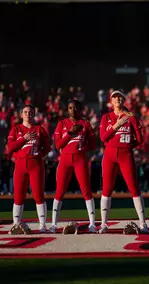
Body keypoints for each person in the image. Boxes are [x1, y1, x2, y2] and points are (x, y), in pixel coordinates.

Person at [98, 90, 147, 233]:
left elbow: (140, 139)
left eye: (120, 97)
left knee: (134, 188)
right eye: (114, 97)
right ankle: (104, 224)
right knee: (106, 189)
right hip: (110, 155)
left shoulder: (131, 117)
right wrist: (117, 125)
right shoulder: (106, 117)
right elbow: (103, 137)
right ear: (111, 101)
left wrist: (128, 146)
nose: (117, 99)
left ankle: (143, 223)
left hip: (126, 155)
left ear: (124, 100)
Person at [50, 100, 97, 233]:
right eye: (70, 107)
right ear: (67, 110)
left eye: (76, 108)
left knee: (86, 190)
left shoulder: (85, 124)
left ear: (81, 109)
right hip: (65, 160)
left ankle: (92, 224)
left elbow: (93, 145)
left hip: (80, 160)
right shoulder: (62, 124)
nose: (73, 110)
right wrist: (70, 134)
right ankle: (53, 224)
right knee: (59, 191)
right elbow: (57, 145)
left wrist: (81, 147)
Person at [6, 105, 51, 234]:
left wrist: (38, 157)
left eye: (30, 112)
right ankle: (16, 224)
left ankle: (42, 225)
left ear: (34, 114)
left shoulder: (39, 130)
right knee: (18, 196)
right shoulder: (15, 129)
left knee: (38, 195)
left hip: (35, 165)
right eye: (25, 112)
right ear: (21, 115)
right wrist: (23, 139)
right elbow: (10, 148)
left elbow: (47, 147)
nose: (28, 114)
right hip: (20, 165)